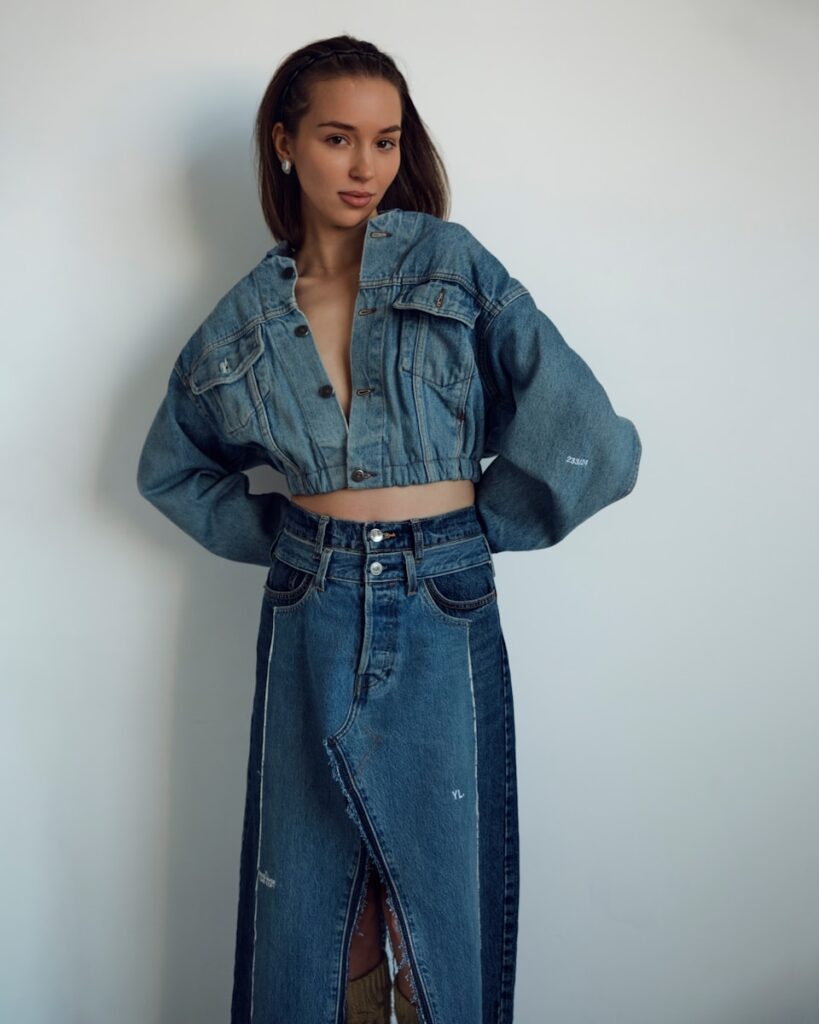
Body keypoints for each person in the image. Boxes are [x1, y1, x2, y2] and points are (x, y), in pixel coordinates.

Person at [136, 34, 642, 1024]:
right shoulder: (241, 326)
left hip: (443, 601)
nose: (366, 167)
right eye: (337, 138)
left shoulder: (451, 267)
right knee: (312, 901)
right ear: (285, 144)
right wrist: (295, 538)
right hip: (308, 609)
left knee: (443, 904)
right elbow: (171, 469)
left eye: (386, 140)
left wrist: (469, 531)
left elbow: (596, 444)